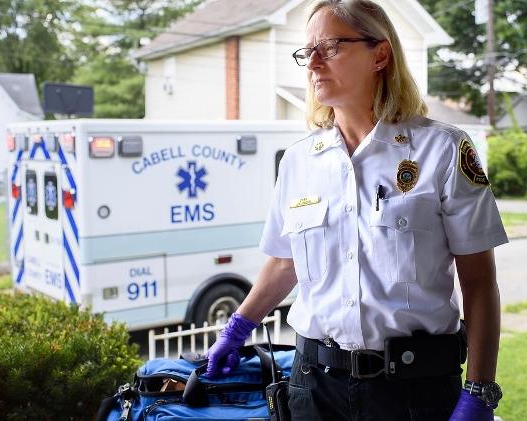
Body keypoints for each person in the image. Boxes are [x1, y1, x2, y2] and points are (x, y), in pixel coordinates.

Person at [205, 1, 508, 420]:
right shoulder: (299, 161)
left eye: (329, 47)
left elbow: (478, 281)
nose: (313, 63)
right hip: (314, 389)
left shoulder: (443, 150)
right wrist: (238, 328)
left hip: (415, 390)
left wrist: (479, 392)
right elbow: (285, 262)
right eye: (307, 51)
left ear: (379, 54)